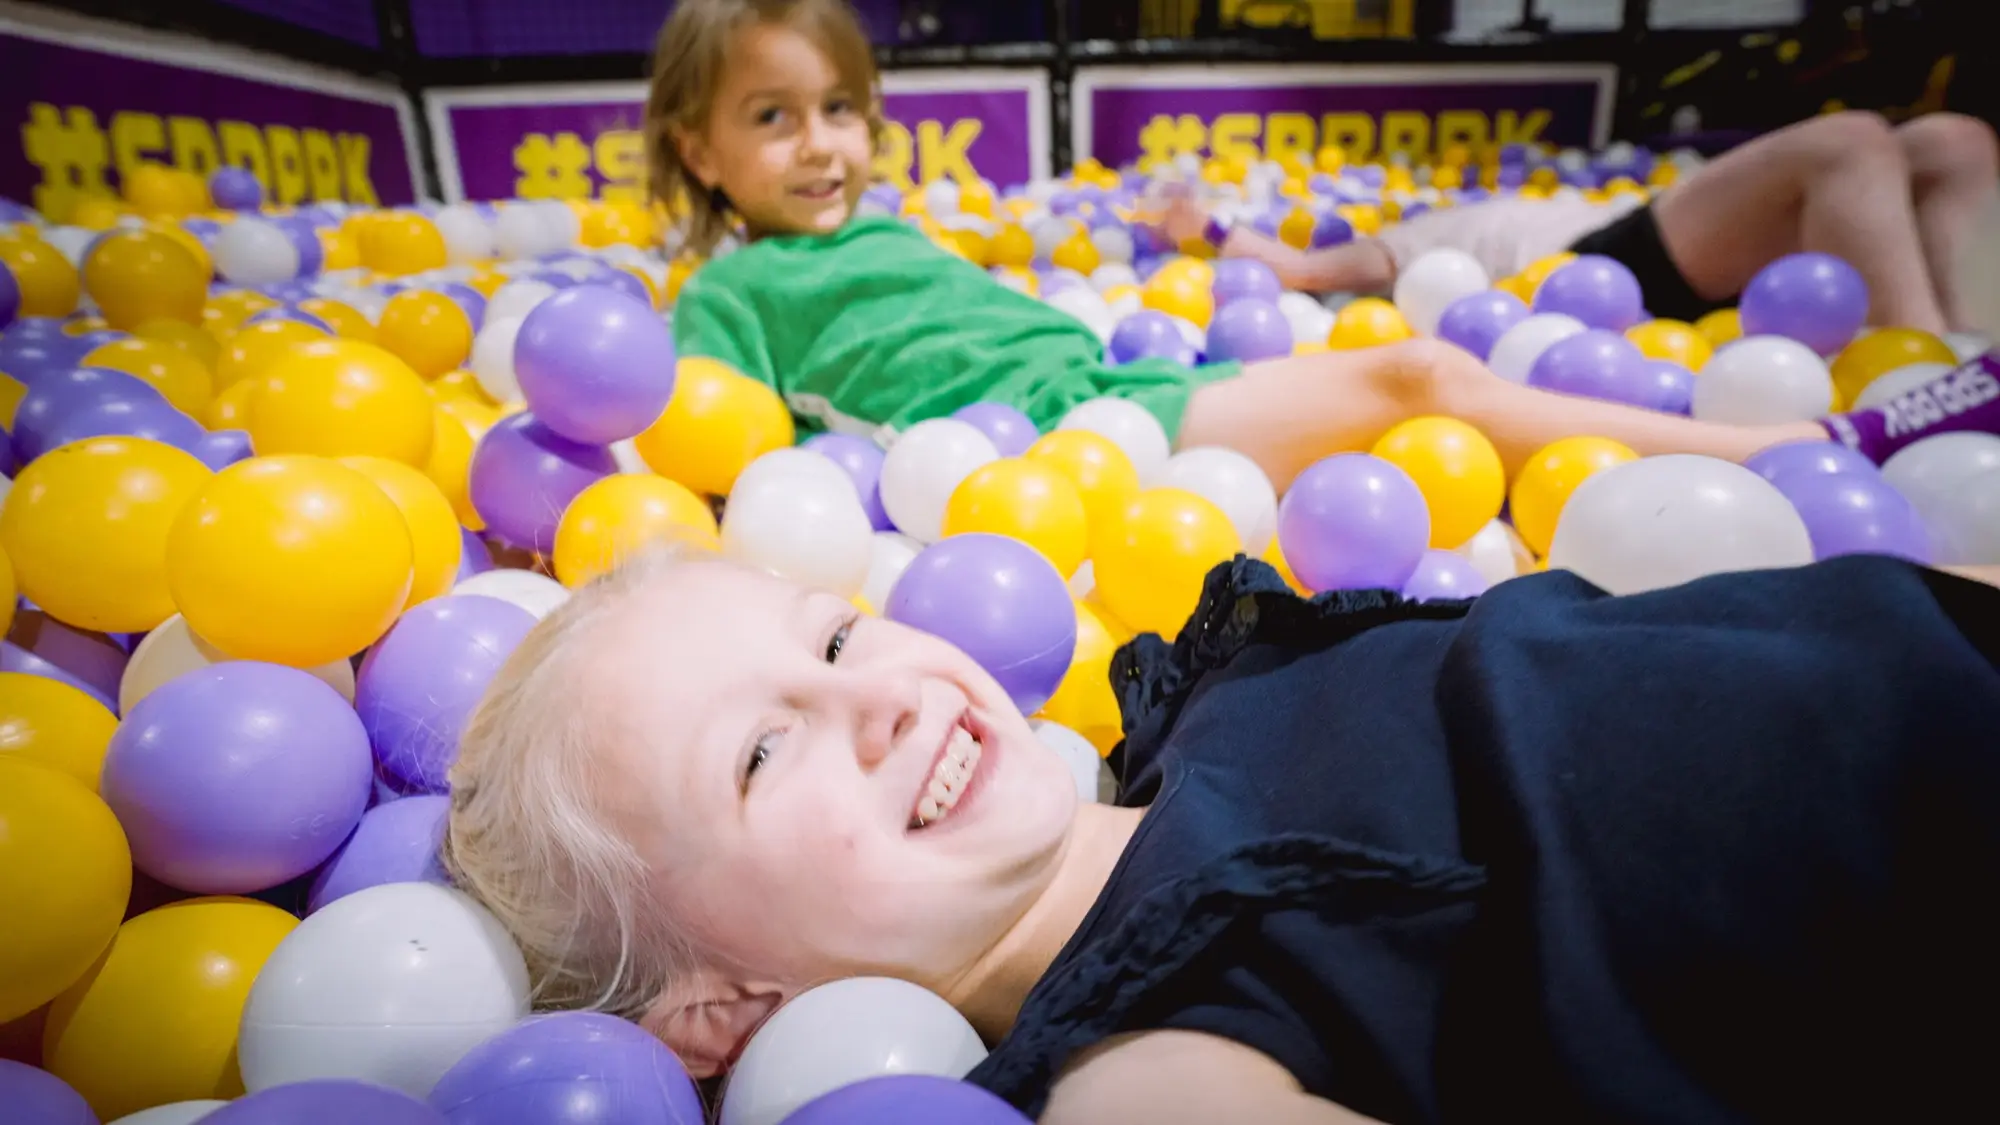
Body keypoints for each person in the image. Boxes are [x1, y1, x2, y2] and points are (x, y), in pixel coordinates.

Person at [440, 540, 2000, 1124]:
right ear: (725, 1009)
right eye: (765, 752)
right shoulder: (1141, 1065)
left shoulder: (1192, 703)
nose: (880, 700)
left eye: (836, 638)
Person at [650, 0, 2000, 496]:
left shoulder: (892, 232)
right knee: (1415, 379)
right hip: (1065, 444)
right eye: (773, 119)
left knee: (1414, 380)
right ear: (700, 150)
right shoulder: (729, 290)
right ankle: (1824, 455)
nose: (822, 143)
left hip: (1111, 399)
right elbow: (722, 453)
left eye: (839, 109)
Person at [1163, 111, 2000, 337]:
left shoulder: (1541, 187)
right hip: (1605, 261)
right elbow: (1301, 270)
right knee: (1846, 143)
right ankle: (1928, 379)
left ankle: (1974, 347)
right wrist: (1205, 232)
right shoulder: (1433, 238)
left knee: (1954, 141)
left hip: (1676, 227)